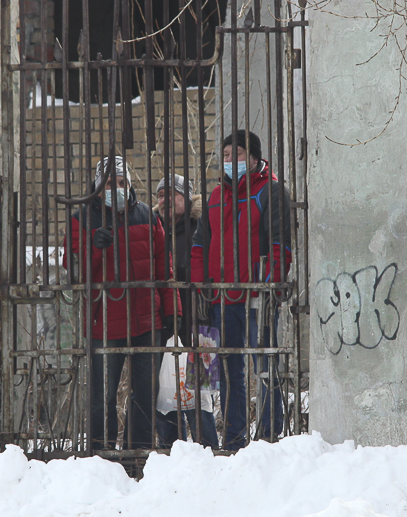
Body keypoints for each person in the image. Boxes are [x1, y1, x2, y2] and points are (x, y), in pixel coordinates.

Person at [64, 156, 178, 450]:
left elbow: (164, 269)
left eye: (121, 182)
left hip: (147, 320)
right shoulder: (81, 218)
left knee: (145, 395)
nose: (115, 188)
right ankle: (100, 453)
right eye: (108, 184)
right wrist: (93, 247)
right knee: (102, 398)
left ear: (129, 184)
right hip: (104, 322)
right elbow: (73, 271)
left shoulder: (148, 216)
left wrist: (171, 310)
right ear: (97, 187)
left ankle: (137, 454)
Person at [190, 130, 292, 450]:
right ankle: (234, 437)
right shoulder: (216, 196)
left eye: (236, 154)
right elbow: (199, 245)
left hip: (256, 296)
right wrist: (201, 287)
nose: (229, 160)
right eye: (225, 155)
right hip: (221, 298)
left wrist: (271, 284)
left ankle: (269, 435)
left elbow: (280, 245)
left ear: (254, 157)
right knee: (228, 369)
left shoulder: (270, 191)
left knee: (265, 367)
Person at [154, 173, 217, 448]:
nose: (165, 200)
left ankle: (209, 450)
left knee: (201, 398)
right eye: (160, 195)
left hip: (200, 321)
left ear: (187, 199)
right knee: (164, 394)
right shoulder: (154, 228)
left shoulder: (200, 228)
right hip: (162, 324)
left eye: (172, 194)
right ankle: (170, 450)